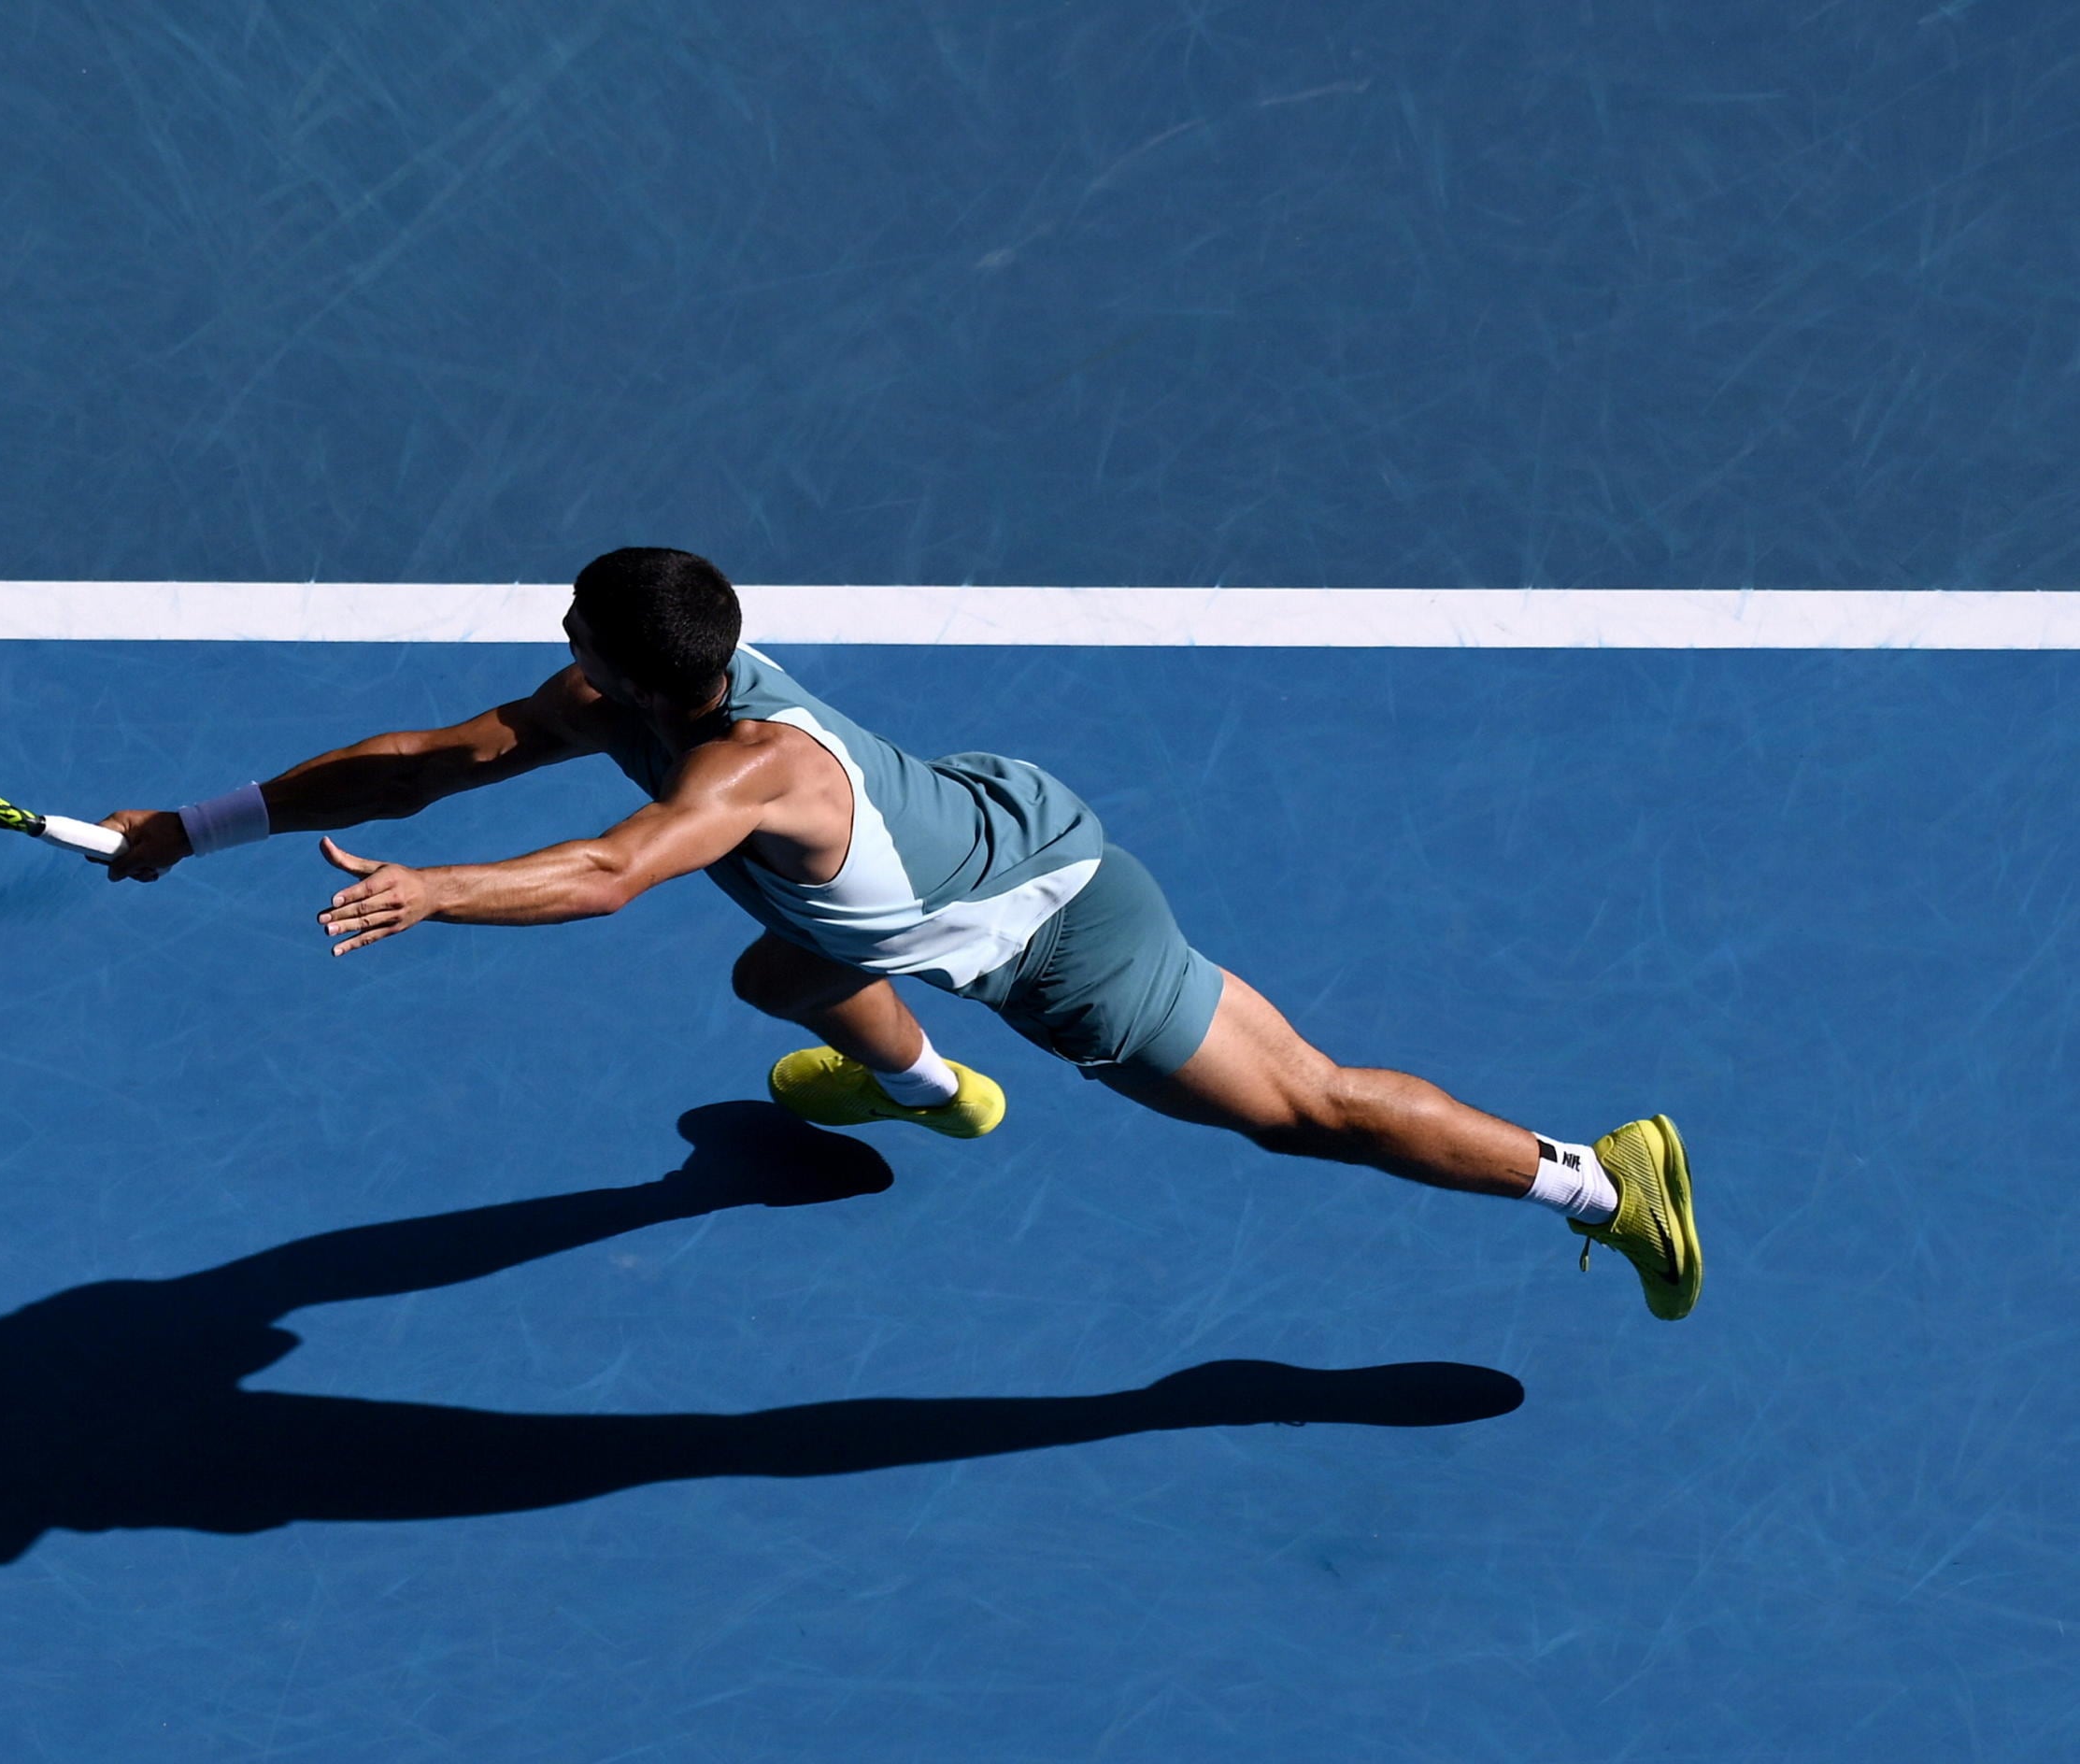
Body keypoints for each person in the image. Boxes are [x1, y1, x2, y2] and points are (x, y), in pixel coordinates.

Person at [96, 547, 1700, 1317]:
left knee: (1309, 1110)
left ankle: (1598, 1176)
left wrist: (438, 895)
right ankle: (928, 1089)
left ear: (646, 673)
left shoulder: (747, 772)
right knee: (780, 966)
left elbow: (603, 871)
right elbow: (436, 762)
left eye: (575, 641)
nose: (555, 657)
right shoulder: (627, 696)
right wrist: (201, 820)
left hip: (1059, 935)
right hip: (948, 845)